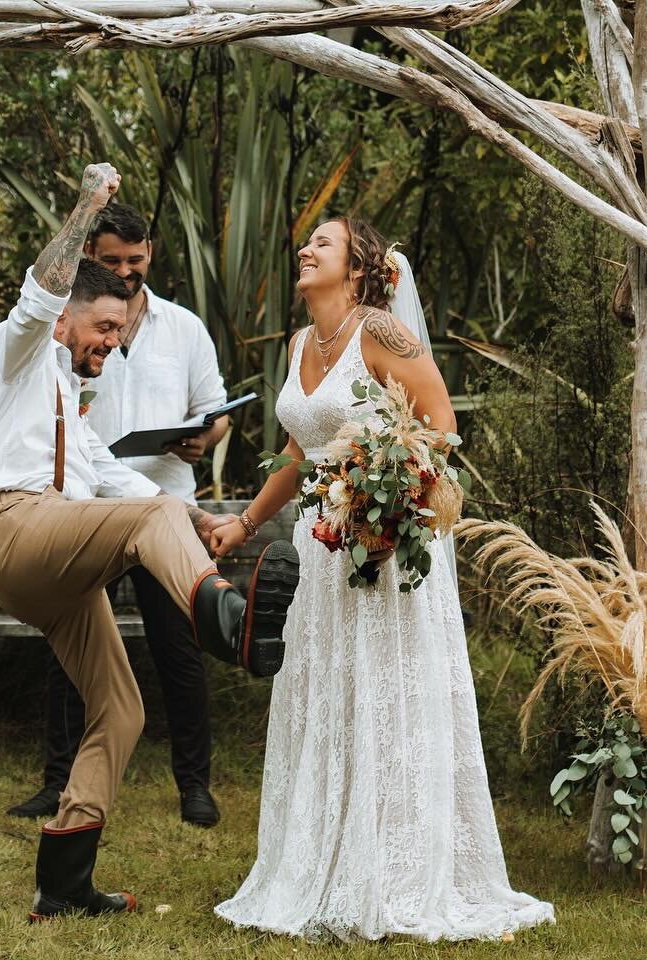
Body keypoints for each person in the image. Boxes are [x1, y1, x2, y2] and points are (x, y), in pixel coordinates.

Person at [0, 162, 300, 921]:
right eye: (104, 330)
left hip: (57, 568)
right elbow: (44, 286)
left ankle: (64, 881)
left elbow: (112, 480)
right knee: (154, 522)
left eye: (120, 332)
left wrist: (201, 523)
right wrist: (89, 203)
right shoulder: (17, 352)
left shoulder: (66, 398)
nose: (112, 345)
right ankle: (232, 626)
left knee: (122, 710)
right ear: (63, 320)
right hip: (14, 527)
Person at [207, 217, 554, 941]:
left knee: (386, 694)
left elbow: (440, 427)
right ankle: (327, 861)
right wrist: (244, 523)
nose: (304, 250)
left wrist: (382, 498)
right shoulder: (303, 344)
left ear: (360, 270)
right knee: (330, 691)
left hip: (383, 546)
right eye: (305, 243)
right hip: (320, 546)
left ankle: (397, 871)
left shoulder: (384, 334)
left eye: (322, 245)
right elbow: (299, 455)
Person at [6, 203, 229, 828]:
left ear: (151, 254)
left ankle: (195, 786)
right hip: (83, 510)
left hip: (162, 504)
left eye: (135, 261)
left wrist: (201, 441)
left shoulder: (184, 329)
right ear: (90, 261)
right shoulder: (59, 336)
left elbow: (216, 412)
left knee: (179, 651)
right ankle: (58, 782)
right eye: (111, 262)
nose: (126, 272)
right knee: (68, 652)